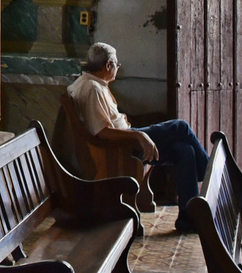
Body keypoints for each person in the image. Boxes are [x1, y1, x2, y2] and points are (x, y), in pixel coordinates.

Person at [67, 42, 209, 233]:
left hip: (126, 141)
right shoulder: (93, 89)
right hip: (121, 147)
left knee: (185, 151)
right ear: (108, 65)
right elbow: (102, 133)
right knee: (180, 127)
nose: (118, 68)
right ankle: (208, 174)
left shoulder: (86, 82)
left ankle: (188, 219)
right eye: (116, 64)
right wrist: (139, 136)